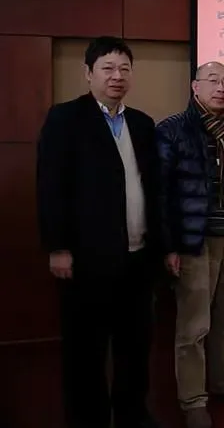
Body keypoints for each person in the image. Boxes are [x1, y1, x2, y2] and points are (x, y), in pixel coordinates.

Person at [35, 37, 161, 428]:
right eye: (107, 68)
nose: (117, 76)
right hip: (87, 259)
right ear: (88, 73)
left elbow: (153, 188)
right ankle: (88, 419)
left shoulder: (142, 123)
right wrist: (58, 247)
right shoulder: (65, 119)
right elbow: (50, 187)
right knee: (85, 351)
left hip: (137, 258)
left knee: (135, 348)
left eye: (124, 68)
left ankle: (132, 415)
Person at [156, 62, 224, 428]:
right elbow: (161, 193)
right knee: (194, 326)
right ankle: (193, 400)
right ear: (194, 86)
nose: (221, 87)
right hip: (195, 242)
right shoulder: (173, 129)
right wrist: (169, 246)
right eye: (213, 80)